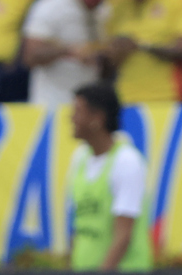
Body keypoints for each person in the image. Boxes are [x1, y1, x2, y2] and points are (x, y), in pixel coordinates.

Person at [68, 82, 153, 271]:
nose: (71, 118)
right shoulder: (79, 159)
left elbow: (123, 236)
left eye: (77, 111)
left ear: (97, 118)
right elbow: (80, 226)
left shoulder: (127, 162)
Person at [22, 0, 112, 107]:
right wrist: (69, 51)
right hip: (52, 101)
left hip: (91, 101)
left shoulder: (105, 9)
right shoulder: (50, 7)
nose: (96, 1)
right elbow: (31, 56)